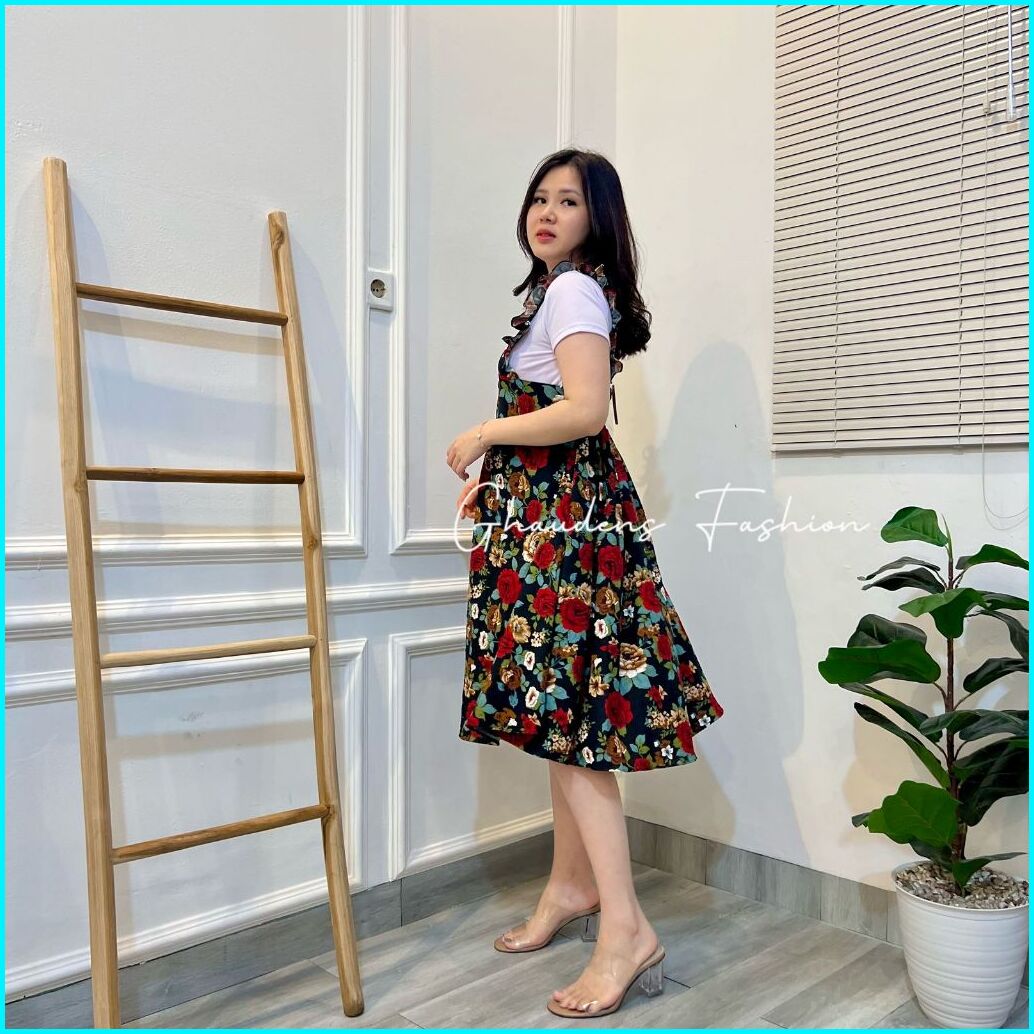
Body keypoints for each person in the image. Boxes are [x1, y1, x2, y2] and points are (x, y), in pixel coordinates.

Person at [445, 148, 724, 1019]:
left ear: (597, 217)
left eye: (568, 200)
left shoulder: (571, 290)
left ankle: (627, 931)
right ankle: (571, 887)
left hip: (565, 536)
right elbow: (567, 424)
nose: (547, 212)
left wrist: (485, 436)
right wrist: (499, 483)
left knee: (573, 727)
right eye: (539, 197)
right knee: (561, 718)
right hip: (553, 520)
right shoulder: (558, 291)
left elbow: (583, 411)